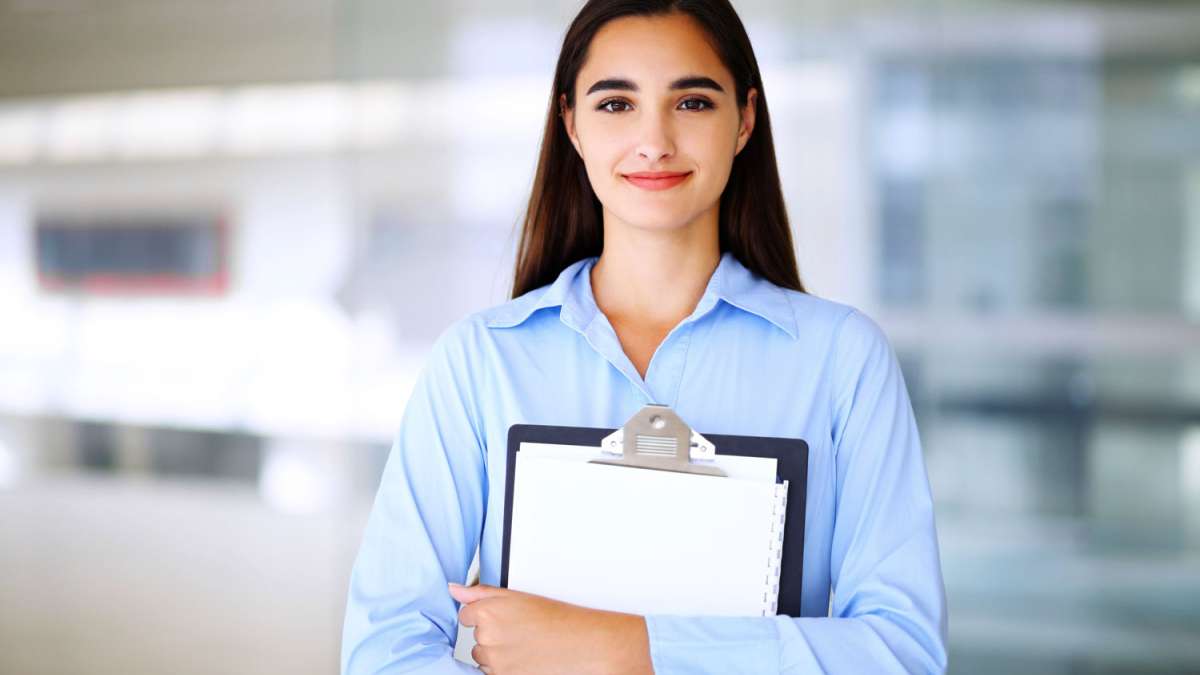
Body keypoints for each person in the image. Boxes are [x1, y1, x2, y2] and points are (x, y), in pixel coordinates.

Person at [340, 0, 948, 673]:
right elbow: (383, 648)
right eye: (615, 104)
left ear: (744, 119)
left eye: (692, 103)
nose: (654, 140)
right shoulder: (480, 361)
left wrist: (628, 645)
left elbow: (902, 652)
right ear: (569, 121)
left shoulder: (843, 361)